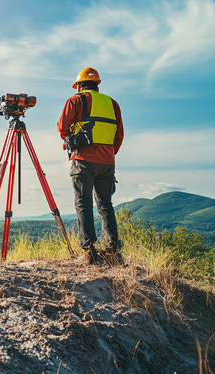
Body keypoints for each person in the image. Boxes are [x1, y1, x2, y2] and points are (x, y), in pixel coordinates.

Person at [57, 67, 124, 265]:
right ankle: (113, 251)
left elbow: (62, 127)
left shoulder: (75, 100)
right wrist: (109, 154)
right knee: (106, 205)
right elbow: (118, 135)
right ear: (97, 84)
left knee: (84, 203)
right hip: (107, 162)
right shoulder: (112, 103)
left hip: (84, 160)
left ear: (78, 85)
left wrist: (73, 143)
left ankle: (89, 251)